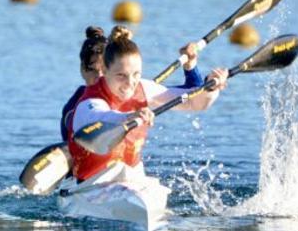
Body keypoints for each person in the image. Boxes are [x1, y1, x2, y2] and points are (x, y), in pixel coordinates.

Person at [67, 26, 227, 183]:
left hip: (133, 178)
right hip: (91, 185)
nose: (130, 83)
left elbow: (193, 102)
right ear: (104, 69)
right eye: (121, 75)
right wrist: (130, 116)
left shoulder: (144, 87)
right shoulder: (88, 102)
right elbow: (99, 117)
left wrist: (211, 89)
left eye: (136, 74)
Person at [60, 26, 205, 143]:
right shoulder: (78, 103)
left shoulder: (136, 89)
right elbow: (93, 118)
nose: (99, 77)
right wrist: (127, 116)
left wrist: (190, 66)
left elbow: (192, 94)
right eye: (92, 70)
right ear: (82, 70)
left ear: (111, 69)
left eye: (103, 72)